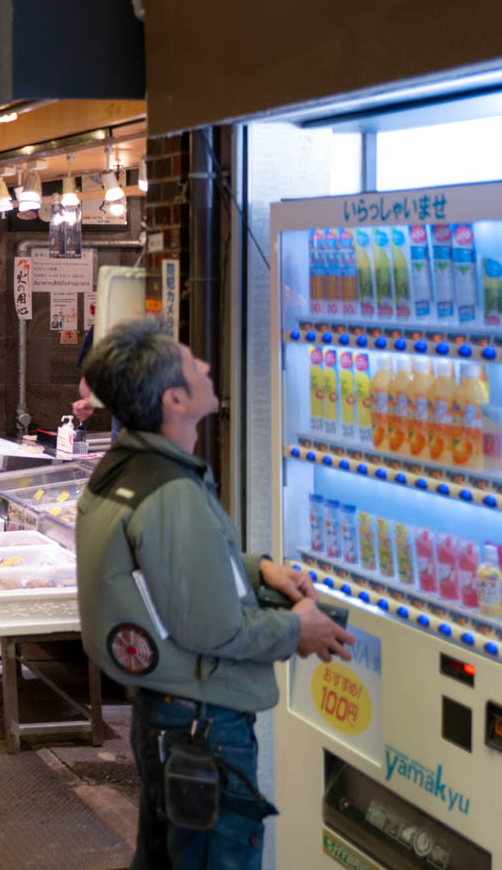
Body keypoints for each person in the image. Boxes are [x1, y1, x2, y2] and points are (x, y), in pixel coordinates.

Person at [76, 319, 354, 870]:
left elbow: (169, 571)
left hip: (169, 716)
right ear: (174, 398)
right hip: (206, 729)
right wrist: (301, 628)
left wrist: (261, 570)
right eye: (192, 361)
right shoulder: (173, 492)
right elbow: (215, 628)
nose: (206, 365)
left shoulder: (131, 466)